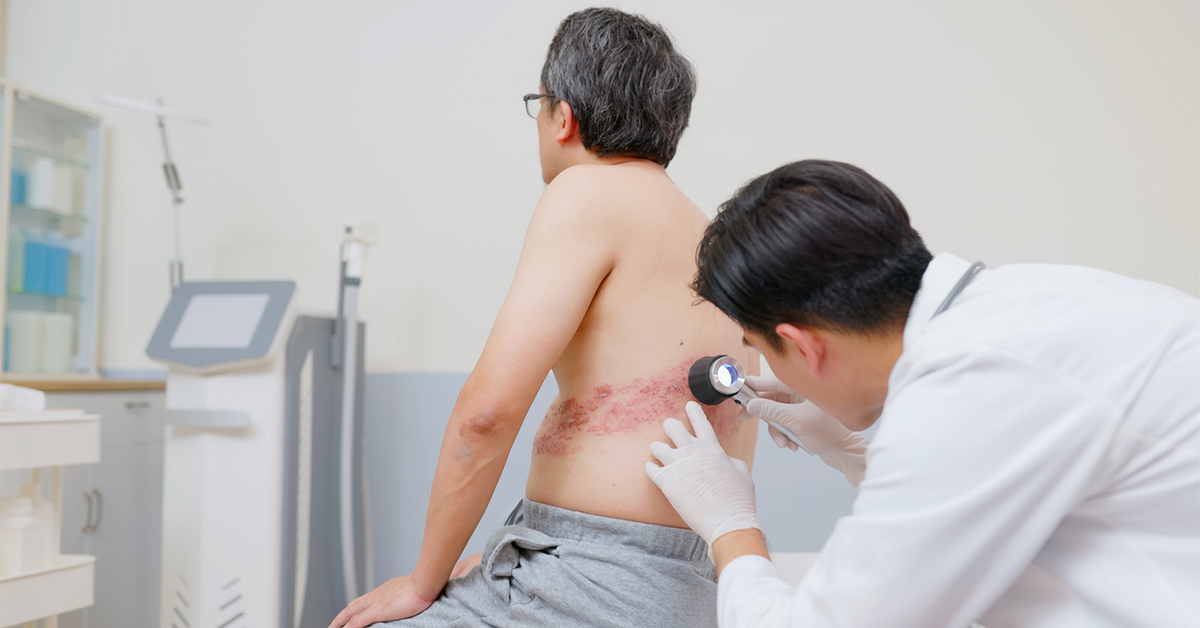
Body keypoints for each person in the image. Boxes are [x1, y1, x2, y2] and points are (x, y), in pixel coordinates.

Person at [330, 8, 758, 628]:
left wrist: (423, 583)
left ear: (563, 116)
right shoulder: (710, 236)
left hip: (591, 582)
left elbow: (486, 415)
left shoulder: (588, 191)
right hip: (681, 579)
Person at [647, 159, 1200, 627]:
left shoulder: (972, 395)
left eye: (760, 348)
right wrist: (854, 451)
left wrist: (731, 529)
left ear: (804, 346)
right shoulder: (1032, 305)